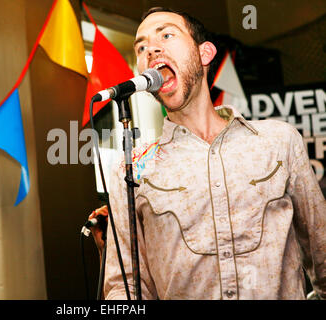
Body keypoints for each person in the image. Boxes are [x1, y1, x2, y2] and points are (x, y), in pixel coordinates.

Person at [89, 7, 326, 300]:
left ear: (205, 54)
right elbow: (124, 287)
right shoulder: (131, 169)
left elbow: (322, 252)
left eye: (166, 34)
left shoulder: (279, 140)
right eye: (141, 46)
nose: (151, 49)